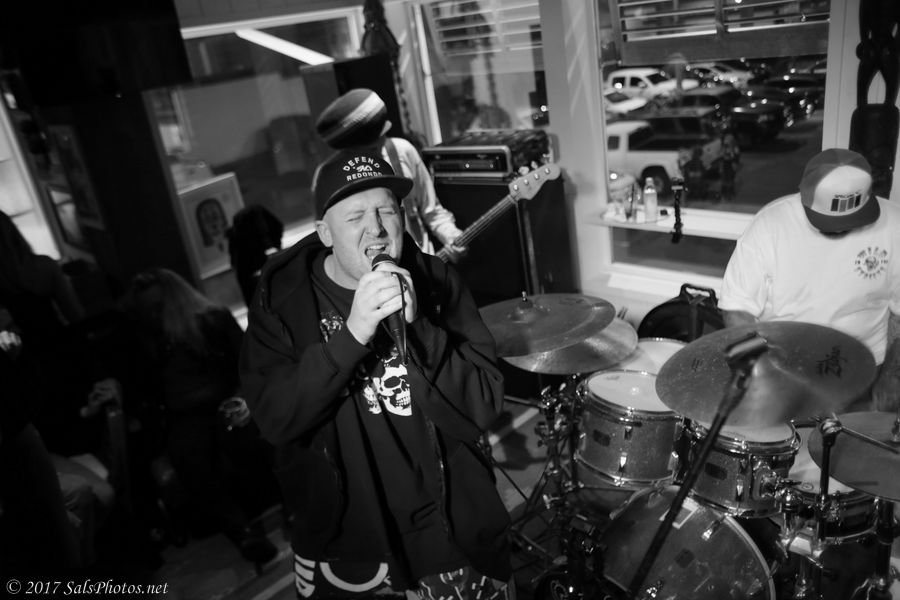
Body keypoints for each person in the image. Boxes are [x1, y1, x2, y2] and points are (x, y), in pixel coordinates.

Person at [239, 148, 511, 599]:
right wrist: (351, 336)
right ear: (325, 232)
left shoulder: (437, 282)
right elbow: (276, 420)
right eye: (355, 217)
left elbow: (482, 403)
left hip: (448, 534)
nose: (377, 229)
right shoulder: (282, 302)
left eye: (387, 210)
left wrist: (421, 329)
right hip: (348, 545)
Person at [720, 148, 900, 410]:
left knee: (857, 436)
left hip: (865, 370)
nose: (841, 227)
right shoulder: (770, 226)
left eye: (851, 219)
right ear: (804, 196)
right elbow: (737, 308)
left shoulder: (894, 225)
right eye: (829, 221)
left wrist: (893, 377)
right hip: (785, 369)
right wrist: (762, 373)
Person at [122, 268, 278, 568]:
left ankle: (294, 509)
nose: (153, 315)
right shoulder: (150, 341)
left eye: (158, 307)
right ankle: (243, 533)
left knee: (248, 436)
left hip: (226, 400)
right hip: (184, 415)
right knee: (188, 457)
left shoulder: (213, 320)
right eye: (147, 310)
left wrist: (243, 397)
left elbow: (249, 363)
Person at [315, 88, 467, 262]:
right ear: (348, 149)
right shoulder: (329, 177)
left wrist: (451, 235)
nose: (382, 144)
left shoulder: (402, 151)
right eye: (373, 147)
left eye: (383, 135)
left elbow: (432, 211)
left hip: (423, 267)